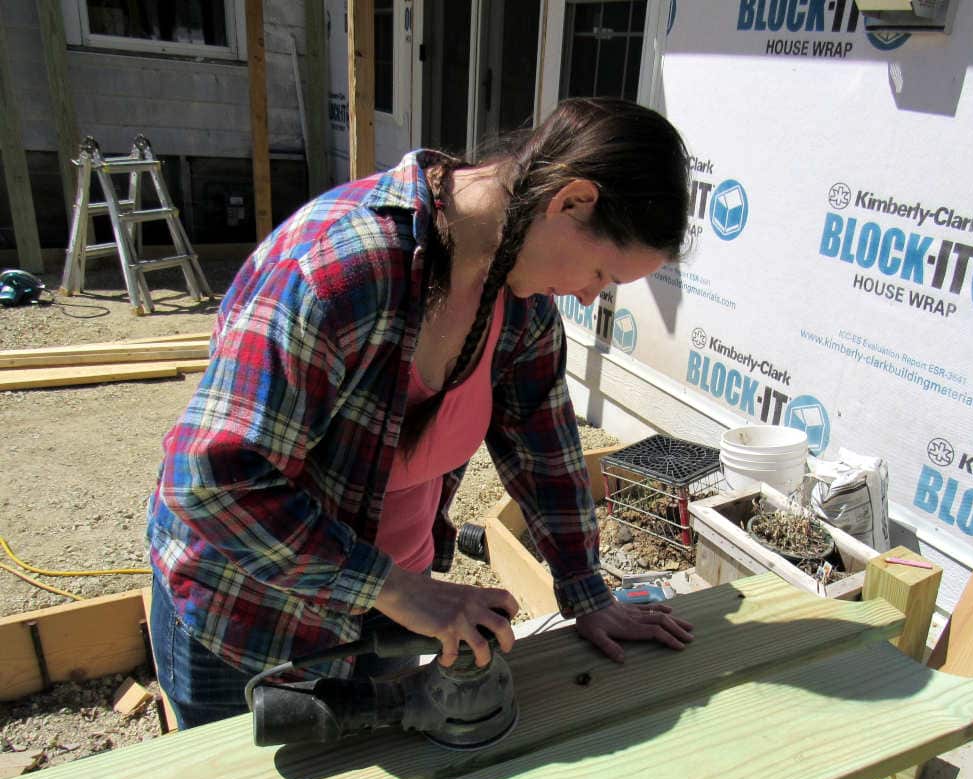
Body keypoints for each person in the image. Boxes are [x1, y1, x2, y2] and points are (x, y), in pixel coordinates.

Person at [146, 97, 696, 729]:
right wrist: (402, 590)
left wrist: (585, 591)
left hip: (382, 609)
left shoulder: (519, 295)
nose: (589, 295)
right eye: (601, 271)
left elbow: (545, 452)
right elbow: (213, 481)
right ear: (570, 201)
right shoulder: (343, 270)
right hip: (249, 613)